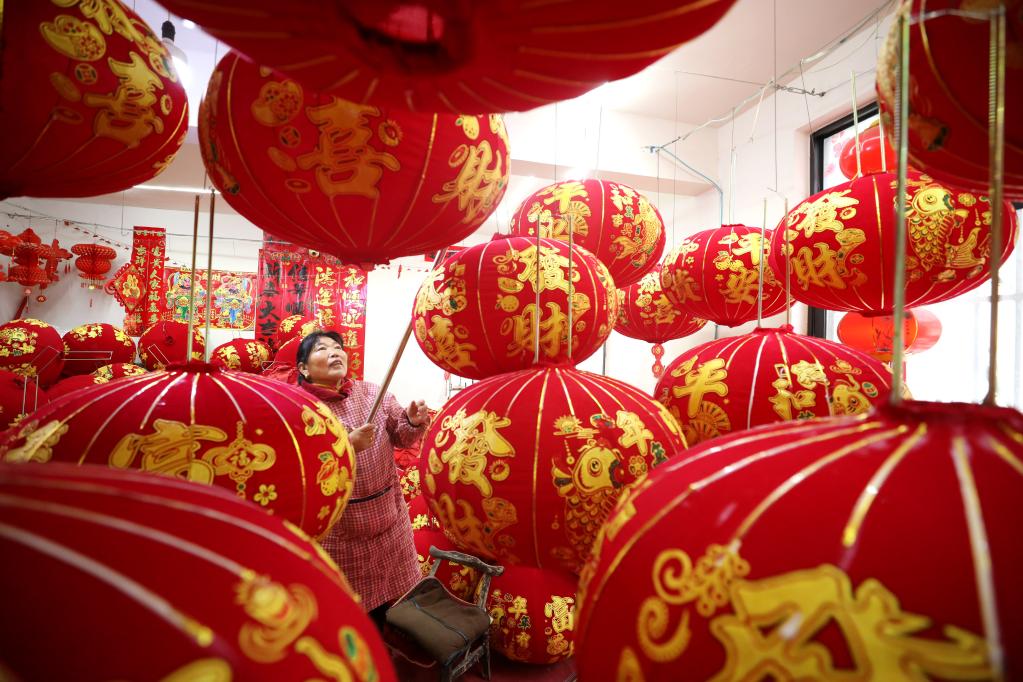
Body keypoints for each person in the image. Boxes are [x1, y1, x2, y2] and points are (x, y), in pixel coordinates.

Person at [296, 330, 430, 629]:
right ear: (304, 368)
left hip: (388, 522)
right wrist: (346, 446)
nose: (334, 352)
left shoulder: (371, 393)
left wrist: (412, 421)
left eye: (337, 347)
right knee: (348, 611)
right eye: (322, 349)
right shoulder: (299, 408)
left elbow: (402, 437)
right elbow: (299, 463)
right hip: (340, 531)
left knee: (387, 602)